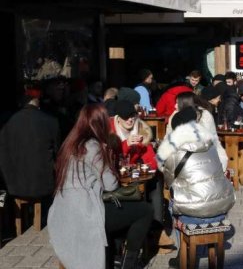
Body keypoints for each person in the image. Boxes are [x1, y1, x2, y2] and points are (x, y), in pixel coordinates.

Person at [48, 104, 153, 269]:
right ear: (100, 124)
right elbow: (111, 185)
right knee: (145, 211)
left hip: (61, 210)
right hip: (85, 213)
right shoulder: (93, 146)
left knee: (118, 216)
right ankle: (128, 264)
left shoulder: (69, 143)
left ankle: (114, 257)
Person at [157, 107, 235, 264]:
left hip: (192, 215)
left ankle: (183, 256)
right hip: (221, 210)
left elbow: (169, 182)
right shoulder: (211, 145)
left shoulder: (174, 152)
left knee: (173, 201)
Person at [0, 90, 59, 227]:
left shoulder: (7, 123)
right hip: (43, 185)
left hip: (12, 185)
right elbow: (57, 153)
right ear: (38, 103)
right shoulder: (51, 121)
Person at [109, 100, 158, 170]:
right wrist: (126, 144)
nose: (130, 119)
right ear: (118, 119)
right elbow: (111, 161)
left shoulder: (141, 131)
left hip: (135, 176)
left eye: (132, 116)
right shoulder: (110, 134)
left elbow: (153, 162)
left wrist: (141, 166)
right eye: (126, 117)